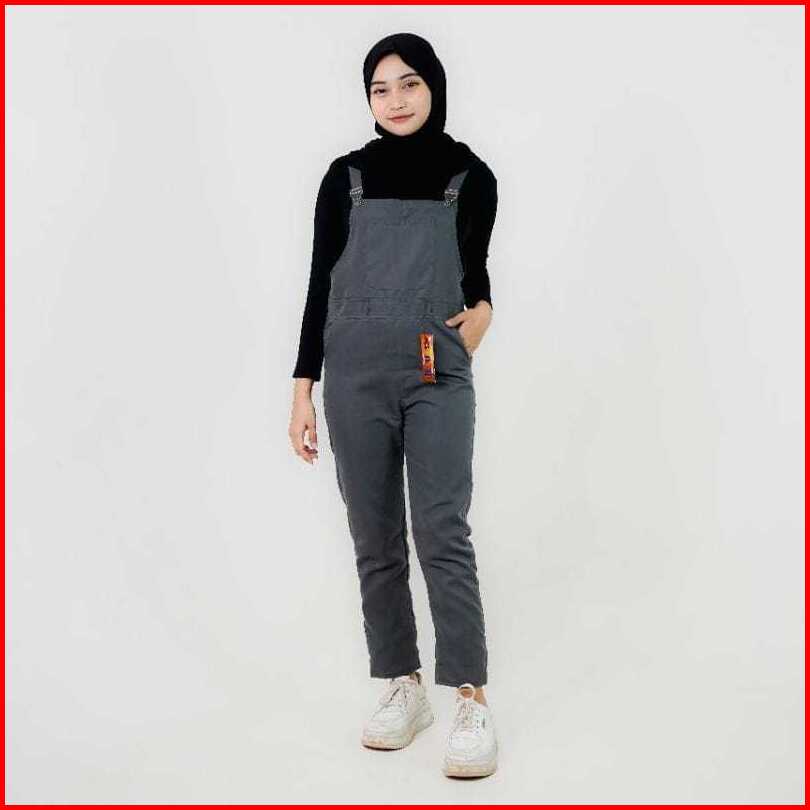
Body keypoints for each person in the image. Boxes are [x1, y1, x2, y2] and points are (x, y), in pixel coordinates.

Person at [289, 32, 499, 778]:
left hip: (434, 371)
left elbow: (475, 275)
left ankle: (471, 697)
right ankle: (402, 685)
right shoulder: (344, 177)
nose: (397, 100)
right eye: (381, 89)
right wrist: (303, 388)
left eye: (409, 83)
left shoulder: (470, 176)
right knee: (374, 536)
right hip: (352, 376)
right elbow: (320, 282)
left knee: (442, 531)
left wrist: (484, 311)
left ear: (433, 86)